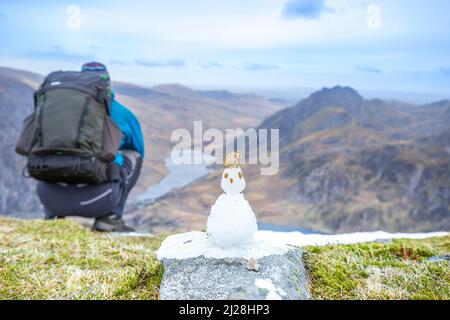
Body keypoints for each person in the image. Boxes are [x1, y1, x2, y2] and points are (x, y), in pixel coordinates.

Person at [36, 62, 145, 232]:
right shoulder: (122, 114)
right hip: (98, 200)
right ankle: (110, 219)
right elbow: (138, 149)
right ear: (107, 84)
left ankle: (52, 217)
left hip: (49, 197)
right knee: (134, 154)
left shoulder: (52, 111)